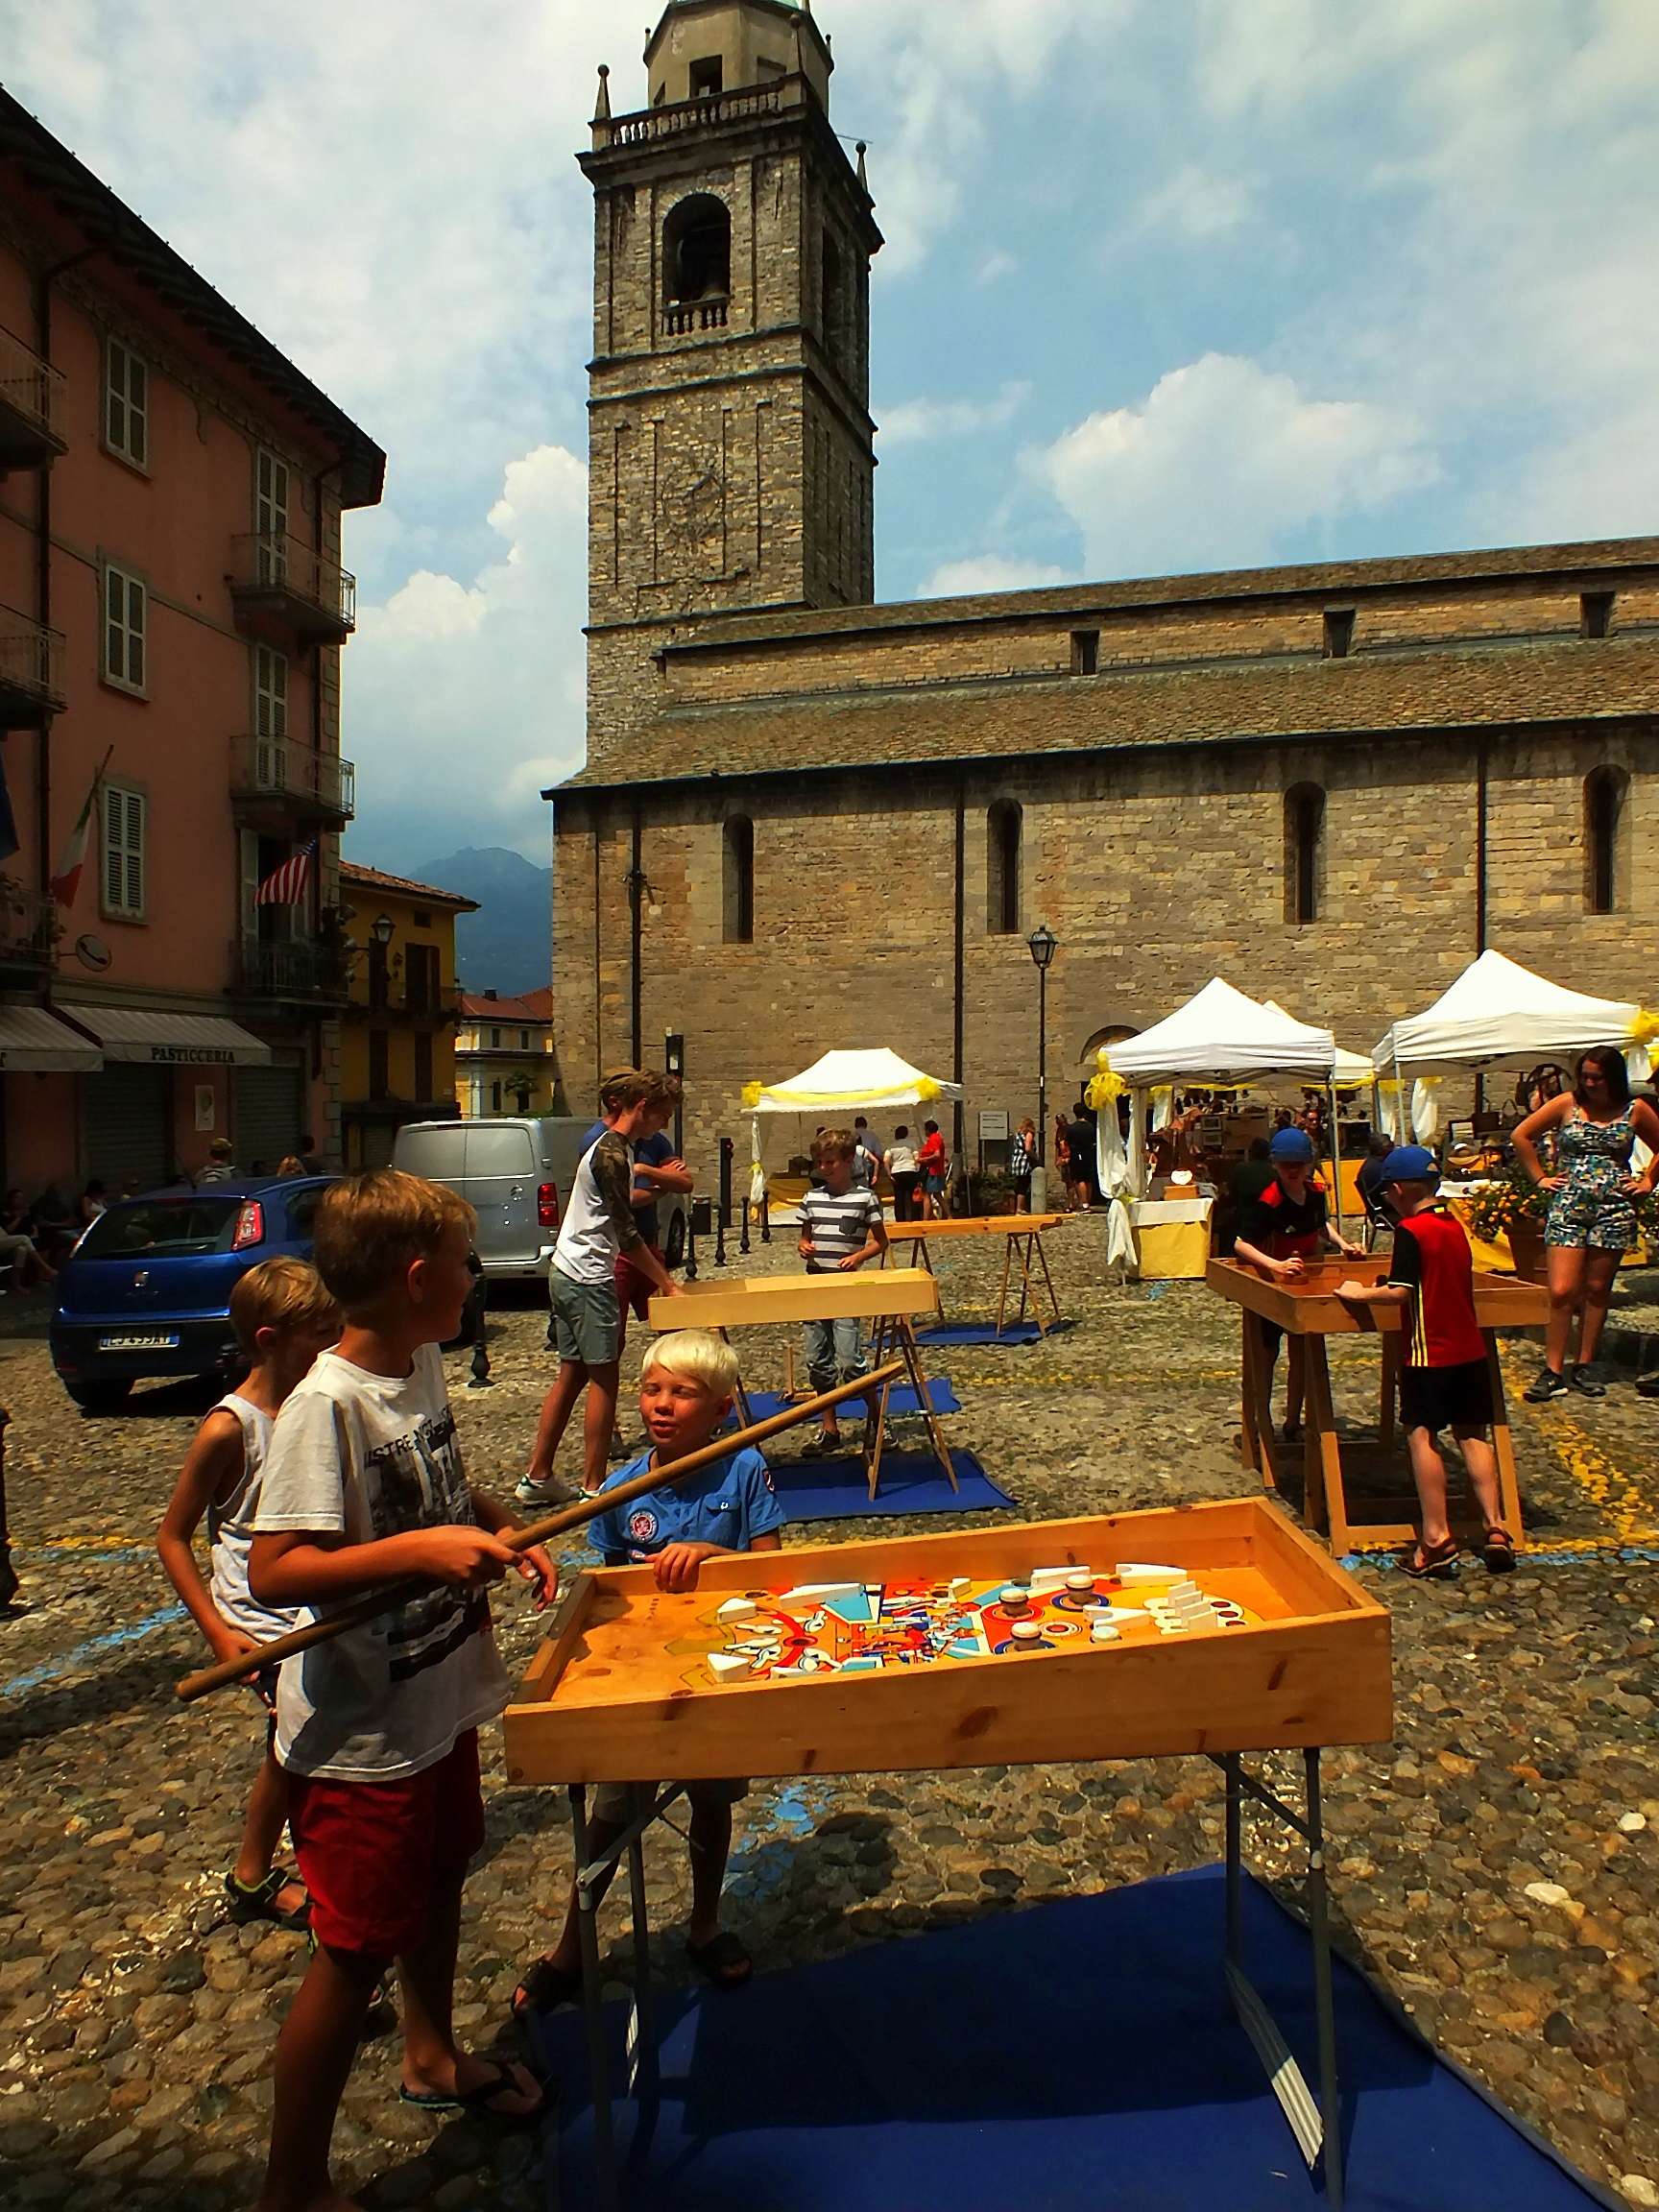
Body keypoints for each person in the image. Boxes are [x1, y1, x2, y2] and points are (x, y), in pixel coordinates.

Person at [246, 1170, 554, 2212]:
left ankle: (431, 2056)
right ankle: (292, 2188)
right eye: (467, 1264)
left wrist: (500, 1527)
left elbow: (438, 1481)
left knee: (442, 1877)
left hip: (437, 1694)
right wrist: (424, 1550)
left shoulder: (418, 1360)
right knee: (350, 1950)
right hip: (362, 1733)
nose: (476, 1279)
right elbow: (274, 1569)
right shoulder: (321, 1406)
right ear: (421, 1277)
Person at [510, 1331, 783, 2019]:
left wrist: (709, 1562)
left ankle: (704, 1923)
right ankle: (572, 1948)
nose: (662, 1406)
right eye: (652, 1389)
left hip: (719, 1669)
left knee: (712, 1803)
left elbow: (774, 1570)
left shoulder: (744, 1470)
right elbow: (598, 1584)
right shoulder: (625, 1487)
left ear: (721, 1409)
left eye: (683, 1394)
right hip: (637, 1678)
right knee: (611, 1814)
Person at [156, 1258, 341, 1931]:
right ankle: (294, 1882)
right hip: (258, 1620)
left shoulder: (318, 1399)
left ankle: (253, 1870)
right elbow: (172, 1537)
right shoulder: (228, 1428)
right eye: (320, 1332)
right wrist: (216, 1632)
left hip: (311, 1604)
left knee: (292, 1743)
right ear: (268, 1339)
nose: (334, 1340)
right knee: (304, 1740)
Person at [1335, 1146, 1516, 1577]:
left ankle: (1435, 1537)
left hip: (1427, 1349)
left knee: (1421, 1435)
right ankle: (1495, 1526)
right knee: (1472, 1435)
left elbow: (1401, 1291)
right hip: (1467, 1347)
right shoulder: (1453, 1224)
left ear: (1397, 1190)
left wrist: (1359, 1293)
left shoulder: (1411, 1231)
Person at [518, 1069, 682, 1508]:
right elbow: (626, 1231)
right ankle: (595, 1486)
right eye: (662, 1116)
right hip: (589, 1275)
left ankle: (538, 1477)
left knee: (571, 1374)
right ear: (642, 1108)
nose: (663, 1126)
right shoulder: (612, 1153)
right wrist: (666, 1283)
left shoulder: (608, 1148)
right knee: (604, 1378)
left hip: (566, 1268)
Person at [1513, 1045, 1659, 1401]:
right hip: (1569, 1204)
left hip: (1613, 1207)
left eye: (1597, 1077)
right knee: (1562, 1290)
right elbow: (1521, 1135)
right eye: (1586, 1076)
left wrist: (1647, 1181)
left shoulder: (1634, 1109)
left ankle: (1585, 1363)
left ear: (1613, 1079)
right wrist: (1539, 1178)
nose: (1590, 1083)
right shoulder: (1567, 1104)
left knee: (1597, 1289)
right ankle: (1553, 1368)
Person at [576, 1077, 694, 1459]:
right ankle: (603, 1446)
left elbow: (685, 1181)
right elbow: (622, 1206)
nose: (663, 1126)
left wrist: (650, 1172)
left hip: (645, 1246)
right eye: (662, 1116)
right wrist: (660, 1183)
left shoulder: (641, 1145)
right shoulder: (605, 1145)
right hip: (614, 1256)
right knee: (607, 1353)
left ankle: (681, 1408)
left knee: (672, 1329)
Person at [1234, 1126, 1366, 1440]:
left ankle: (1294, 1421)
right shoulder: (1269, 1201)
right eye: (1285, 1165)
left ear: (1308, 1164)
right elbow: (1241, 1244)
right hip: (1273, 1286)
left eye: (1298, 1164)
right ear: (1275, 1166)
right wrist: (1275, 1266)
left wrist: (1344, 1244)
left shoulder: (1316, 1193)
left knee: (1303, 1355)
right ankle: (1259, 1423)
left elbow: (1320, 1226)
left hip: (1306, 1284)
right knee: (1265, 1357)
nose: (1292, 1170)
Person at [798, 1127, 888, 1455]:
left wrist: (859, 1256)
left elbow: (881, 1240)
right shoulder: (812, 1198)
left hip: (847, 1285)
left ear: (849, 1161)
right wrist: (804, 1246)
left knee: (851, 1361)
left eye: (830, 1162)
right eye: (820, 1162)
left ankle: (879, 1421)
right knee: (817, 1360)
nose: (824, 1167)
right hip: (815, 1281)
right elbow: (805, 1236)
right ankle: (829, 1428)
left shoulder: (865, 1198)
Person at [0, 1189, 56, 1289]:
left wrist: (34, 1233)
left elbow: (32, 1226)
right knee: (24, 1239)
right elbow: (8, 1230)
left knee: (22, 1249)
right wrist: (19, 1217)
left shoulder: (27, 1212)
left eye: (21, 1198)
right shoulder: (5, 1214)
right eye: (17, 1198)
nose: (20, 1200)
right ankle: (46, 1268)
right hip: (10, 1239)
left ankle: (17, 1284)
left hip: (12, 1240)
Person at [883, 1124, 921, 1223]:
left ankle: (900, 1220)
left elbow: (885, 1161)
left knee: (899, 1198)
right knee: (912, 1197)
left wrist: (889, 1174)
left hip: (897, 1172)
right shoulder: (912, 1144)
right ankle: (914, 1219)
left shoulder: (891, 1146)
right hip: (910, 1170)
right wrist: (917, 1170)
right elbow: (917, 1158)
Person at [1066, 1102, 1097, 1211]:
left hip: (1077, 1154)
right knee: (1088, 1180)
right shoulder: (1091, 1126)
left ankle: (1084, 1203)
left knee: (1080, 1179)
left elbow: (1068, 1142)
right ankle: (1088, 1201)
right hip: (1089, 1154)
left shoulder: (1072, 1128)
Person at [917, 1119, 947, 1220]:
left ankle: (925, 1220)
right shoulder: (938, 1138)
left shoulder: (933, 1139)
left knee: (926, 1194)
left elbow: (936, 1154)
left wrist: (923, 1159)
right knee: (937, 1194)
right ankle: (948, 1215)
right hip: (936, 1170)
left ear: (928, 1130)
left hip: (933, 1171)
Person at [1008, 1118, 1036, 1214]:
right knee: (1023, 1185)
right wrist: (1035, 1157)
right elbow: (1028, 1148)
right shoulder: (1028, 1134)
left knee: (1019, 1184)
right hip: (1024, 1162)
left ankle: (1018, 1208)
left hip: (1017, 1162)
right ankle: (1020, 1208)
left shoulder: (1018, 1135)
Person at [852, 1117, 881, 1190]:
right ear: (866, 1124)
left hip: (852, 1170)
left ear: (855, 1125)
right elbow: (878, 1154)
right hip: (868, 1168)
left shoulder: (850, 1136)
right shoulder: (872, 1136)